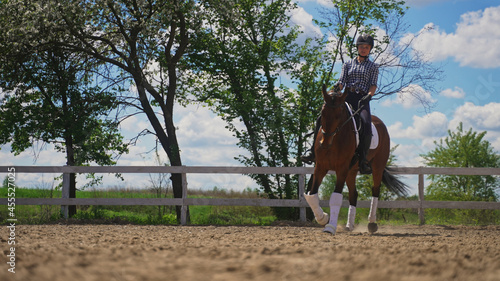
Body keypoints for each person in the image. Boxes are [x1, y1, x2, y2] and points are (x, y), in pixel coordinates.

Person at [301, 34, 379, 174]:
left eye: (366, 47)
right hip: (346, 98)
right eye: (361, 47)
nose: (363, 49)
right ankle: (312, 153)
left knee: (366, 123)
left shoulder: (373, 67)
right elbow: (342, 81)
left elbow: (373, 85)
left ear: (370, 49)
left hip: (362, 100)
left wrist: (369, 96)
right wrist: (336, 88)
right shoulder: (348, 64)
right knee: (322, 118)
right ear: (357, 48)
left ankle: (362, 160)